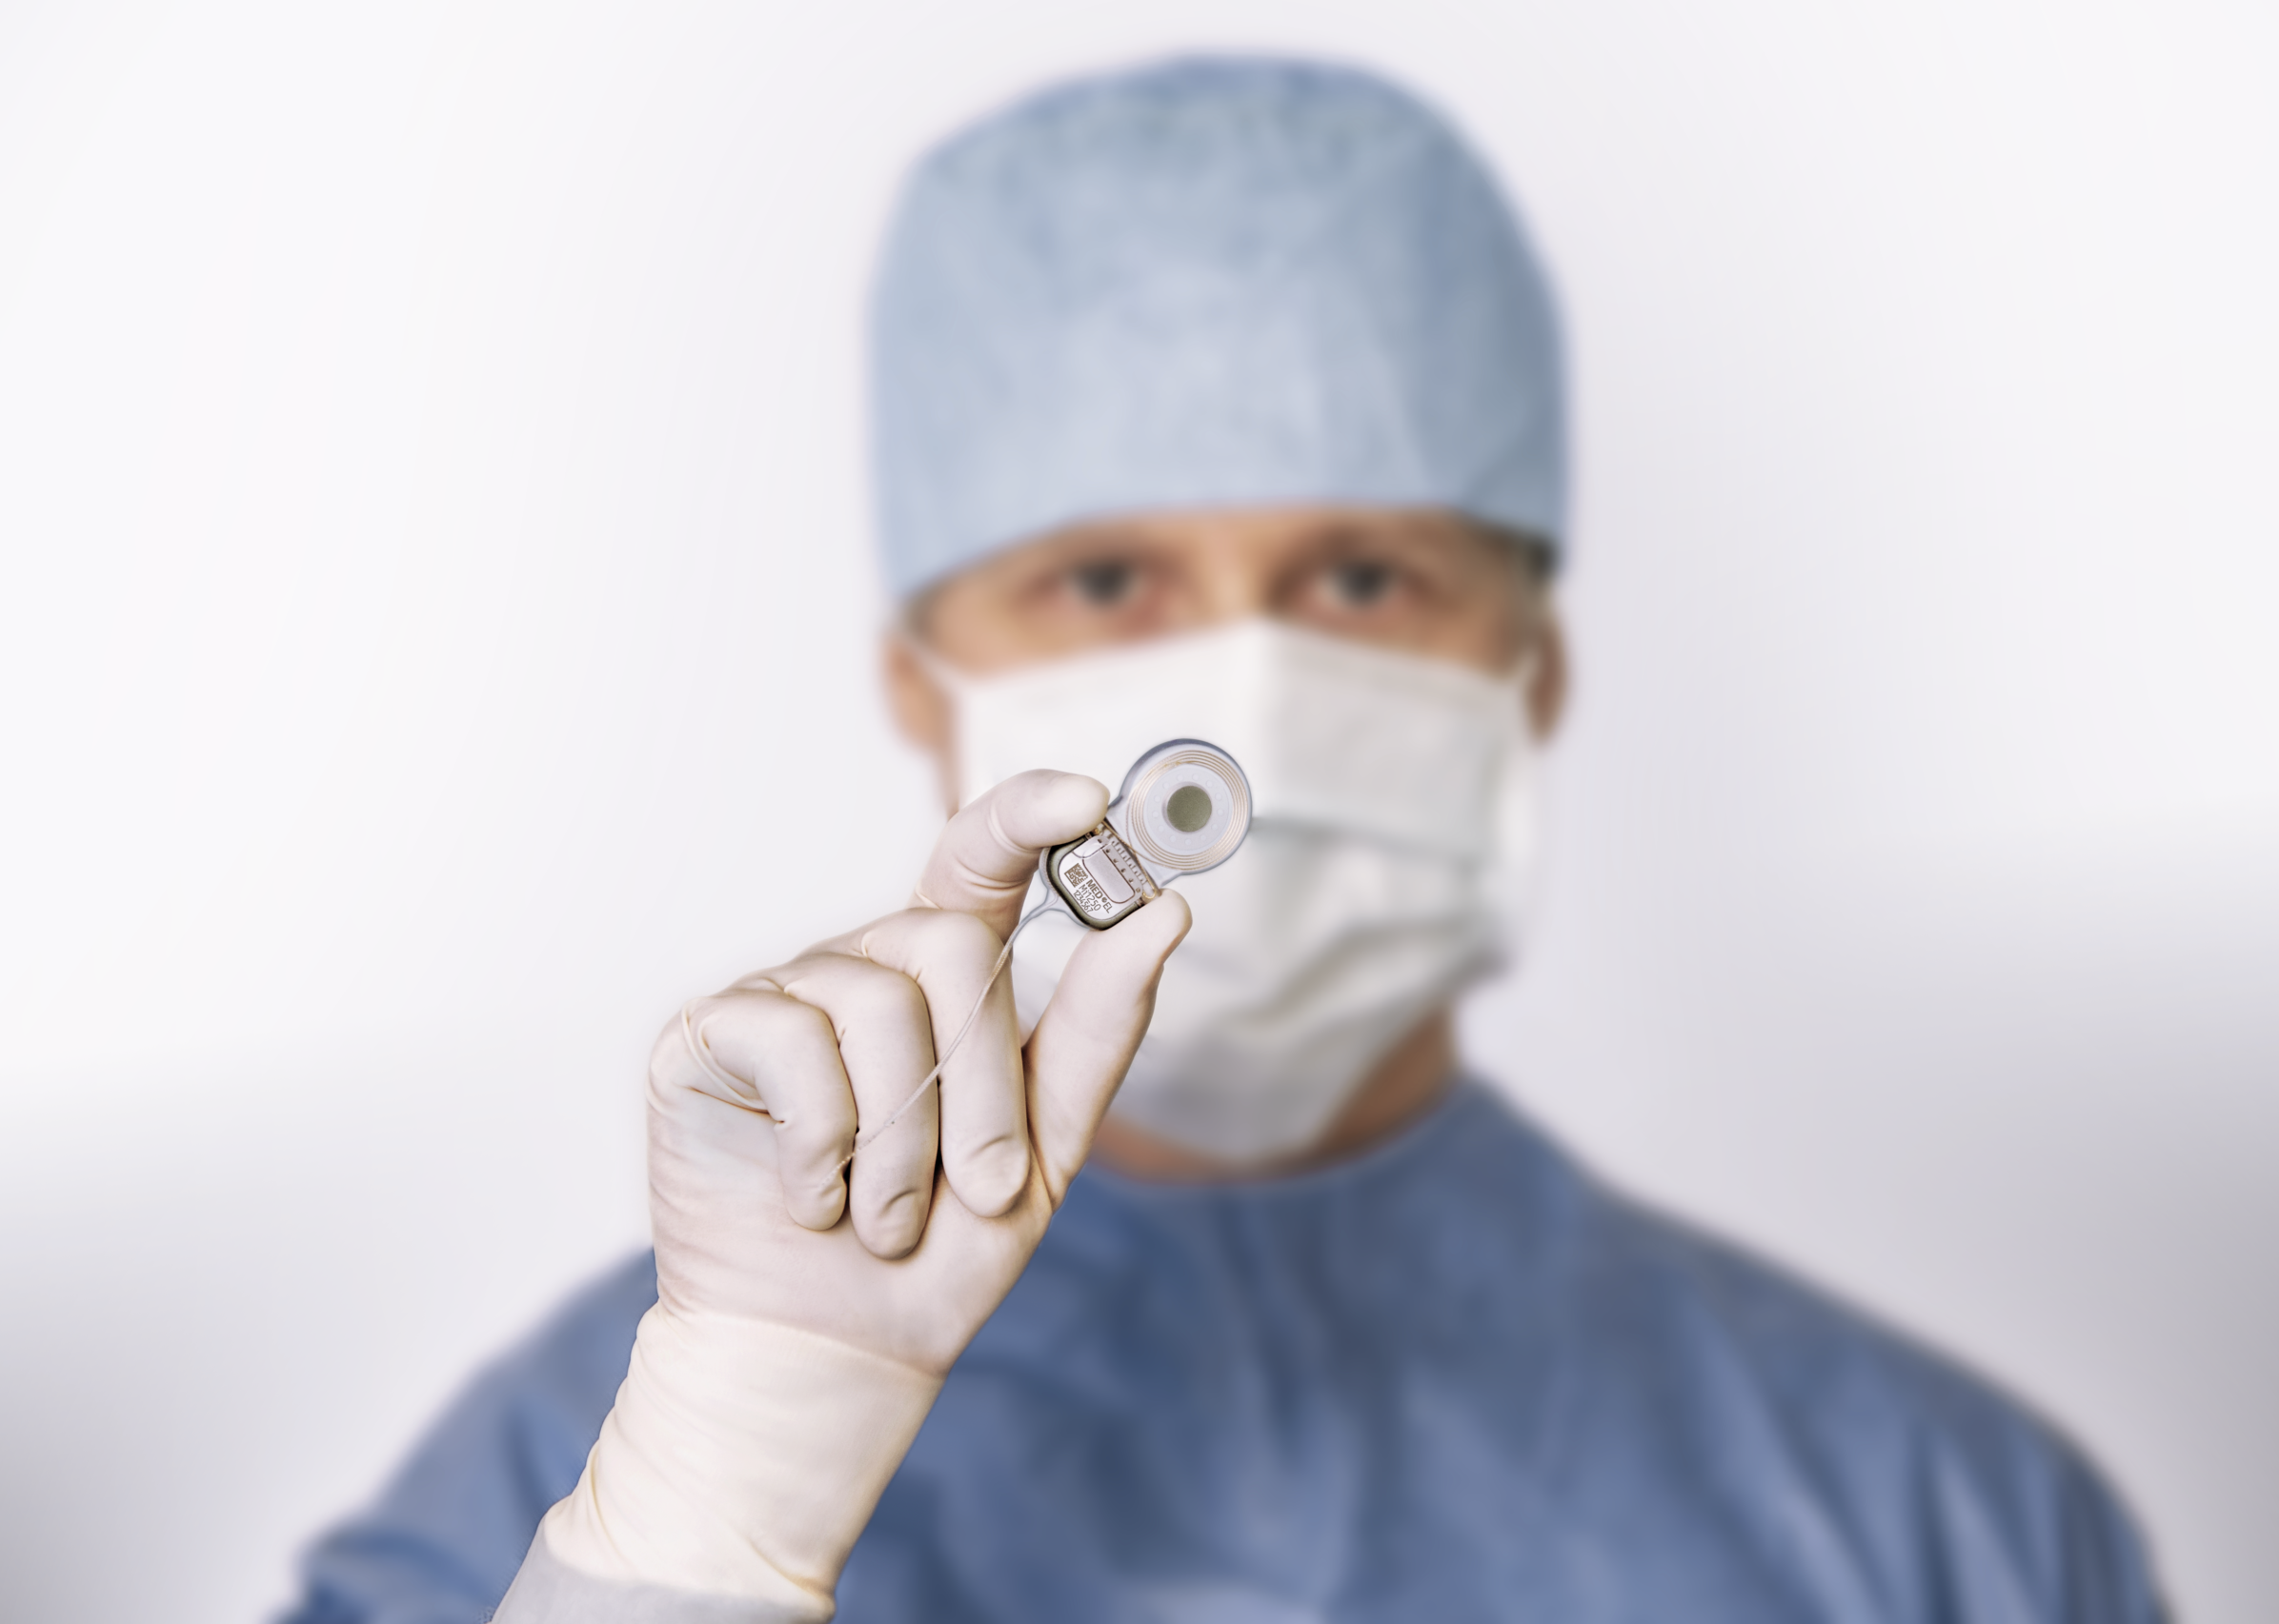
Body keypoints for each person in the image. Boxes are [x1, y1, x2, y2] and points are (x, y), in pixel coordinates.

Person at [281, 56, 2168, 1624]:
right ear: (923, 688)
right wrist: (700, 1537)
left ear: (1531, 670)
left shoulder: (1942, 1519)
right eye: (1107, 581)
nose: (1244, 696)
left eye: (1364, 576)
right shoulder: (603, 1470)